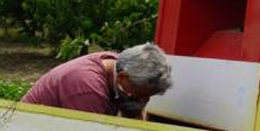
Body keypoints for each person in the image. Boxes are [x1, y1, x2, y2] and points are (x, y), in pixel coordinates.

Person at [21, 43, 172, 120]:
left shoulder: (118, 63)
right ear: (122, 77)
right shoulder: (87, 88)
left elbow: (134, 122)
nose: (144, 101)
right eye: (139, 94)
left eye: (148, 97)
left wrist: (134, 107)